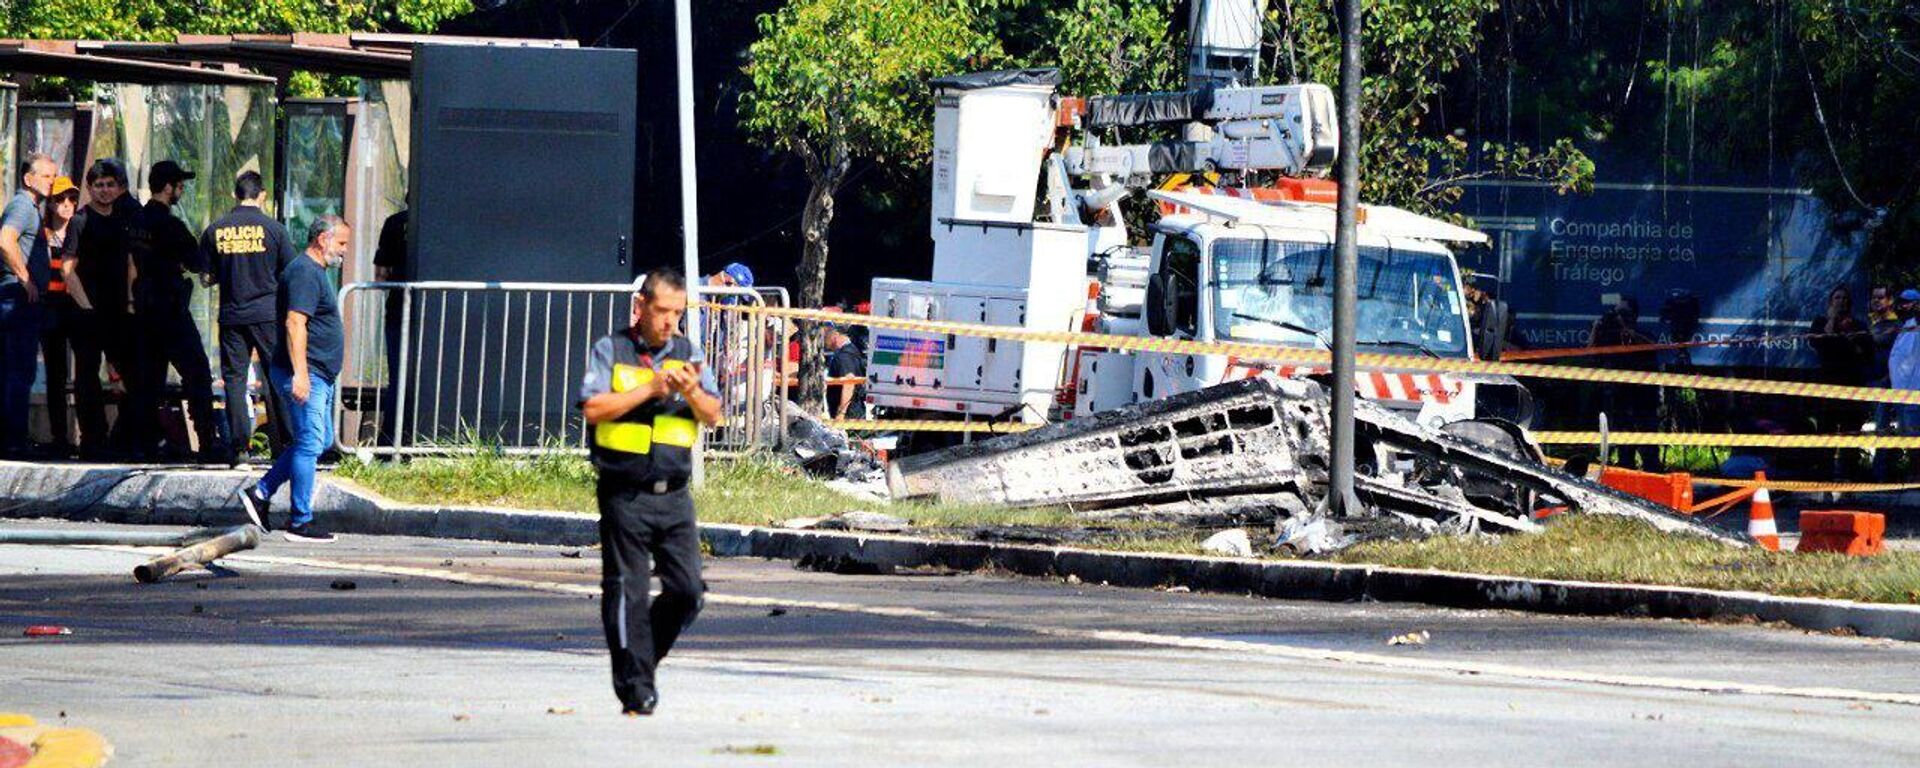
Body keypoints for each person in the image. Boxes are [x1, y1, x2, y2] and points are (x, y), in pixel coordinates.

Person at [578, 267, 722, 717]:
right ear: (641, 307)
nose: (669, 323)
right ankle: (636, 688)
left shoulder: (689, 354)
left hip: (675, 495)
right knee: (628, 591)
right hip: (625, 491)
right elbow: (595, 408)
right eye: (662, 312)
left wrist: (693, 393)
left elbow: (714, 414)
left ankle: (642, 662)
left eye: (677, 313)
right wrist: (651, 388)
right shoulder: (611, 349)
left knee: (688, 592)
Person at [237, 216, 350, 542]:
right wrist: (300, 374)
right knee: (310, 442)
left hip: (318, 372)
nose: (343, 252)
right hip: (306, 372)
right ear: (322, 239)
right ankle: (300, 521)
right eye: (340, 243)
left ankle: (260, 493)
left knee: (320, 440)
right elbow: (294, 324)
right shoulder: (304, 272)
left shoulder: (313, 272)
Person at [126, 161, 221, 460]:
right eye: (179, 185)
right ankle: (207, 441)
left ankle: (143, 444)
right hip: (170, 307)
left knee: (148, 378)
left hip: (144, 308)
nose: (181, 190)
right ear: (167, 187)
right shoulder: (171, 225)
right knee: (197, 371)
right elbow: (195, 261)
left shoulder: (136, 221)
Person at [202, 171, 299, 464]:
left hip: (232, 315)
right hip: (267, 314)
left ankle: (239, 448)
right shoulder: (274, 230)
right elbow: (290, 272)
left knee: (234, 379)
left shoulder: (215, 230)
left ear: (235, 194)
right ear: (262, 195)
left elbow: (206, 277)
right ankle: (285, 444)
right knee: (276, 375)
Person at [70, 158, 141, 457]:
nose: (104, 190)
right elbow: (68, 268)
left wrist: (129, 301)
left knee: (128, 374)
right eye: (98, 185)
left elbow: (129, 265)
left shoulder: (124, 220)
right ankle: (92, 438)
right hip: (86, 310)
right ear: (89, 188)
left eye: (110, 184)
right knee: (87, 375)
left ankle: (121, 437)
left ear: (119, 188)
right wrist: (85, 306)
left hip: (117, 310)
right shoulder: (80, 220)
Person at [0, 154, 57, 457]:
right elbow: (6, 240)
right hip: (18, 299)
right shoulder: (23, 206)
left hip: (20, 299)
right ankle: (14, 441)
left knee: (15, 370)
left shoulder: (31, 208)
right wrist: (25, 278)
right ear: (28, 178)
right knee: (18, 371)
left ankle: (12, 438)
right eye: (46, 176)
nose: (51, 181)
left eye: (53, 175)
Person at [36, 177, 82, 456]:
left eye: (71, 200)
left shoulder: (80, 230)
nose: (66, 205)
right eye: (60, 200)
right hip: (50, 306)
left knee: (87, 368)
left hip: (76, 305)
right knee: (55, 373)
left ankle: (91, 434)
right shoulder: (40, 234)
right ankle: (59, 436)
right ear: (50, 203)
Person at [373, 208, 409, 446]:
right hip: (438, 310)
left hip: (398, 309)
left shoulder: (394, 223)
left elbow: (380, 275)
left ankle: (390, 441)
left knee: (398, 377)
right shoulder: (442, 219)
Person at [824, 322, 867, 419]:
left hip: (849, 414)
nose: (823, 339)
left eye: (825, 335)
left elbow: (849, 384)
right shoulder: (851, 351)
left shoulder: (844, 356)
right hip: (852, 410)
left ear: (835, 334)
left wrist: (841, 413)